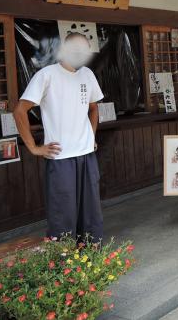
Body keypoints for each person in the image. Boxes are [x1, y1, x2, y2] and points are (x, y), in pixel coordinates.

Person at [14, 32, 104, 243]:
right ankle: (64, 263)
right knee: (63, 214)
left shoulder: (88, 75)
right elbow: (20, 110)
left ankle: (92, 256)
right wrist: (34, 147)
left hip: (87, 154)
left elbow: (93, 109)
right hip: (60, 157)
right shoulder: (47, 75)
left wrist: (91, 136)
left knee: (90, 212)